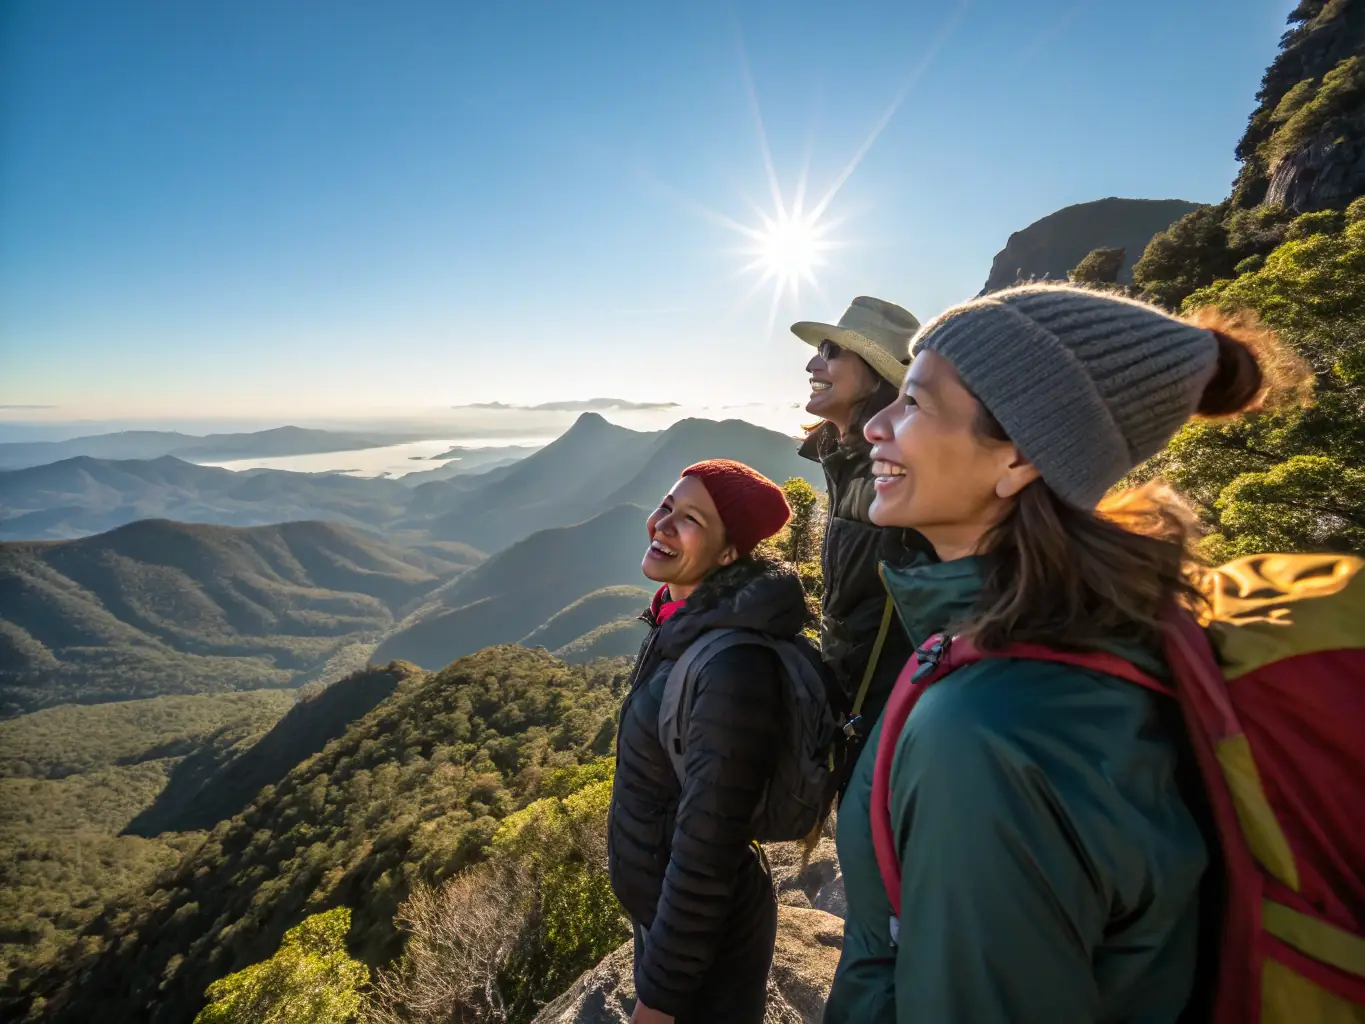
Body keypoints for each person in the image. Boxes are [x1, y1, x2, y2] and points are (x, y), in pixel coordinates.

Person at [825, 284, 1293, 1022]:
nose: (875, 427)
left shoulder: (987, 734)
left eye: (914, 403)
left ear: (1017, 458)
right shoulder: (1086, 638)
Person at [607, 458, 803, 1024]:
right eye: (667, 505)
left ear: (727, 554)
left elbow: (708, 850)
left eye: (689, 518)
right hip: (668, 920)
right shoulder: (681, 620)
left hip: (708, 942)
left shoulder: (732, 666)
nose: (662, 524)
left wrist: (658, 999)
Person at [791, 297, 936, 762]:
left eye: (831, 351)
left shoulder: (897, 474)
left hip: (894, 718)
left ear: (875, 373)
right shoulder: (844, 461)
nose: (814, 361)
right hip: (855, 704)